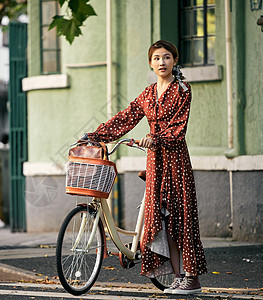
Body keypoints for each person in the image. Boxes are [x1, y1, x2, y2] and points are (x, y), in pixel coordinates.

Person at [84, 40, 207, 295]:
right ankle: (177, 277)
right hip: (154, 161)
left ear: (174, 61)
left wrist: (156, 138)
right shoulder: (148, 93)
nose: (162, 62)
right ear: (150, 63)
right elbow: (126, 116)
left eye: (167, 57)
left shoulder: (183, 89)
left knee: (180, 218)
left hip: (175, 161)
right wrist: (96, 136)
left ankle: (192, 278)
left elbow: (178, 130)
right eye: (156, 58)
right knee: (162, 219)